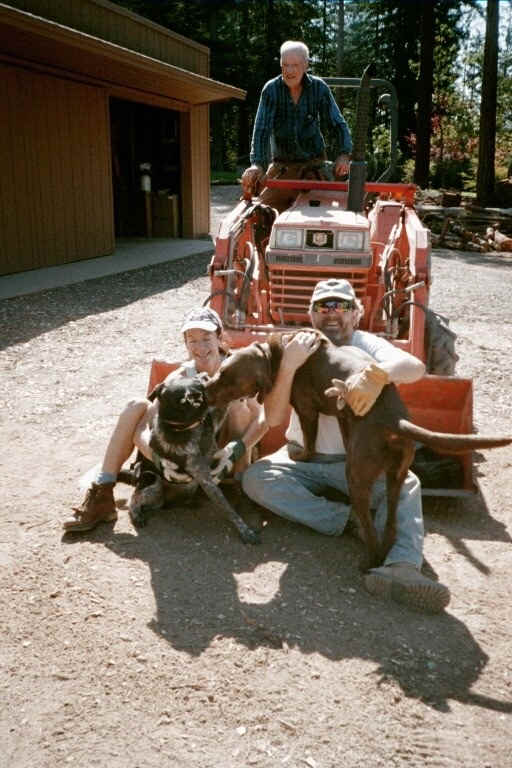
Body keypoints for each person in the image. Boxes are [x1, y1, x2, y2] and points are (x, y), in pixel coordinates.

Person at [241, 278, 451, 613]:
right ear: (311, 314)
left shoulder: (366, 344)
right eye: (323, 306)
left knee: (408, 484)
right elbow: (275, 417)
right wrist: (289, 366)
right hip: (302, 460)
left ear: (357, 313)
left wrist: (375, 375)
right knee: (256, 479)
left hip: (358, 462)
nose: (332, 313)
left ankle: (402, 568)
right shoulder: (295, 348)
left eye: (341, 306)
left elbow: (415, 367)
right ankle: (349, 519)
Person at [64, 307, 267, 532]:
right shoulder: (180, 378)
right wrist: (159, 459)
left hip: (226, 454)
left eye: (206, 338)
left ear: (219, 337)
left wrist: (236, 450)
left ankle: (241, 492)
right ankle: (103, 493)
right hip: (188, 459)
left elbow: (262, 419)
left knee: (238, 405)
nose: (200, 347)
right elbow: (142, 428)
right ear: (185, 344)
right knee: (135, 406)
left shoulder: (236, 369)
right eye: (192, 340)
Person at [241, 40, 352, 212]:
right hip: (282, 167)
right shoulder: (271, 90)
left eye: (295, 65)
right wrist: (257, 165)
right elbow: (261, 130)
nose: (290, 71)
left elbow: (337, 123)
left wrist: (344, 154)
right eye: (285, 65)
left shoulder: (319, 88)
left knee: (334, 210)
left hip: (315, 165)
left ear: (306, 65)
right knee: (261, 213)